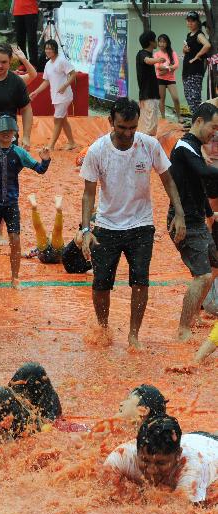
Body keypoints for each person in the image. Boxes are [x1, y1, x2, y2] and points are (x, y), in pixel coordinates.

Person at [80, 97, 186, 349]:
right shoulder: (97, 151)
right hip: (106, 225)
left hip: (141, 225)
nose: (128, 133)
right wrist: (85, 229)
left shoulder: (149, 145)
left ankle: (133, 335)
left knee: (141, 281)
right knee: (101, 283)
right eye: (122, 127)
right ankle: (103, 328)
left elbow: (168, 180)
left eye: (132, 128)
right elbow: (88, 194)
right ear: (111, 122)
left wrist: (179, 212)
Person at [0, 114, 51, 286]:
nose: (6, 133)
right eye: (3, 131)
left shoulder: (19, 153)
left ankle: (15, 277)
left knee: (15, 240)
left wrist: (45, 161)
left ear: (15, 133)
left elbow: (39, 169)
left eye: (10, 131)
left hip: (11, 204)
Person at [167, 103, 218, 341]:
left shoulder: (195, 147)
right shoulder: (184, 146)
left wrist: (210, 213)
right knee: (204, 276)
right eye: (213, 127)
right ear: (198, 121)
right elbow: (205, 174)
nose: (214, 133)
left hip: (197, 218)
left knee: (213, 266)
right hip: (183, 221)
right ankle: (182, 328)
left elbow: (198, 184)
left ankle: (194, 316)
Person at [104, 415, 218, 505]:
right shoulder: (122, 456)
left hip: (212, 447)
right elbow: (104, 494)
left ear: (178, 455)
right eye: (145, 461)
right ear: (136, 452)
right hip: (192, 438)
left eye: (161, 463)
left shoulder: (191, 468)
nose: (151, 470)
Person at [29, 40, 77, 150]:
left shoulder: (61, 61)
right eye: (46, 48)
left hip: (64, 96)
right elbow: (46, 81)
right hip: (56, 96)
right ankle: (71, 143)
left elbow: (73, 74)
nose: (48, 51)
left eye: (50, 48)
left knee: (57, 120)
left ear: (55, 49)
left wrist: (65, 85)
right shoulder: (48, 64)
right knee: (63, 120)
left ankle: (50, 146)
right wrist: (35, 92)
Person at [182, 12, 211, 116]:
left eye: (192, 21)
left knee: (194, 97)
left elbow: (207, 45)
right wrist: (184, 50)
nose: (190, 23)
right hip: (187, 71)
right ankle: (195, 121)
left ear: (197, 22)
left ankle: (199, 122)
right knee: (189, 97)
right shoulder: (189, 35)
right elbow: (186, 51)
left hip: (195, 71)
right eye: (188, 21)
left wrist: (197, 56)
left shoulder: (199, 34)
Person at [135, 31, 162, 137]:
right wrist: (158, 60)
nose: (157, 42)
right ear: (151, 42)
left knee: (149, 123)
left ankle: (145, 144)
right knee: (149, 124)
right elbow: (147, 61)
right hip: (148, 94)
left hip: (149, 94)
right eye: (155, 40)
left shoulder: (146, 54)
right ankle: (147, 146)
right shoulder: (142, 54)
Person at [155, 34, 181, 121]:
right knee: (161, 99)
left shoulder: (172, 53)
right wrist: (169, 68)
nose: (162, 44)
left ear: (167, 43)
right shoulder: (156, 54)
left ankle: (179, 116)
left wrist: (166, 70)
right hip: (160, 79)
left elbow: (176, 65)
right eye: (160, 42)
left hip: (170, 79)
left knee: (176, 98)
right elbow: (158, 67)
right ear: (158, 43)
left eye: (164, 42)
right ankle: (163, 118)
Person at [13, 0, 38, 67]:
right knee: (20, 40)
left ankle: (33, 64)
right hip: (18, 11)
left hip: (31, 11)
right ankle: (22, 63)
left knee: (31, 39)